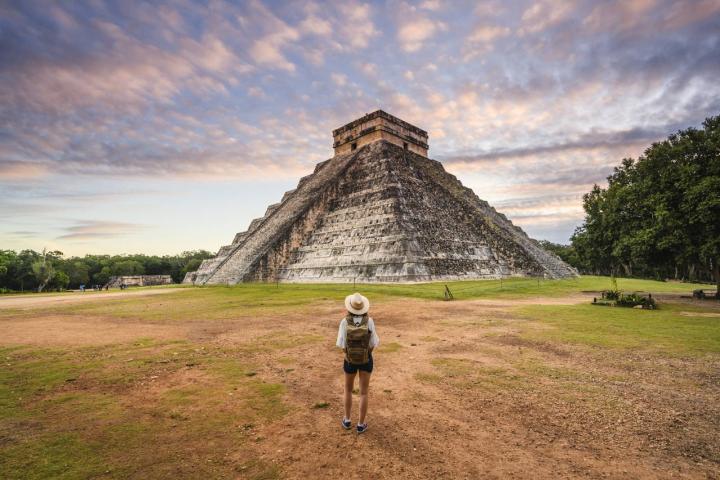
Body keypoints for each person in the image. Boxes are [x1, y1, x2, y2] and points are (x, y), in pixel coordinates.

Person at [336, 292, 380, 434]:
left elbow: (342, 345)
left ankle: (347, 420)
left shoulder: (344, 322)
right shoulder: (369, 321)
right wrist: (366, 353)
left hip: (350, 361)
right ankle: (361, 424)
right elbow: (374, 343)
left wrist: (350, 354)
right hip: (366, 360)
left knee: (348, 390)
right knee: (363, 393)